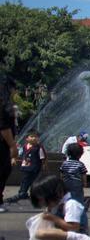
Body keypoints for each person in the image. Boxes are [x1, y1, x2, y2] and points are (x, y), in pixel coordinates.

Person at [23, 174, 90, 240]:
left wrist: (53, 218)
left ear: (57, 193)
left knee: (42, 233)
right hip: (64, 238)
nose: (45, 205)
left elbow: (74, 227)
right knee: (36, 229)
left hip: (74, 237)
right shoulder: (57, 205)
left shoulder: (71, 204)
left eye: (46, 201)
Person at [60, 142, 89, 231]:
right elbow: (83, 175)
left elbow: (61, 174)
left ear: (68, 153)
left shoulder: (65, 164)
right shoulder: (80, 164)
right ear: (80, 155)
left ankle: (65, 219)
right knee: (79, 203)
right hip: (77, 185)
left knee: (66, 201)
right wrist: (84, 183)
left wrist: (61, 183)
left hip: (66, 184)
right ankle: (82, 223)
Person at [0, 75, 17, 212]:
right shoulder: (4, 104)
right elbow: (4, 127)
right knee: (3, 171)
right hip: (2, 145)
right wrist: (12, 145)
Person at [15, 130, 45, 200]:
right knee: (25, 180)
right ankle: (22, 192)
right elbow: (19, 154)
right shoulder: (24, 147)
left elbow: (42, 157)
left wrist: (43, 165)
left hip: (35, 168)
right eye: (32, 136)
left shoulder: (39, 148)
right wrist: (14, 158)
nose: (34, 138)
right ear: (27, 138)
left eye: (36, 137)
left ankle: (33, 193)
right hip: (25, 167)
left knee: (34, 181)